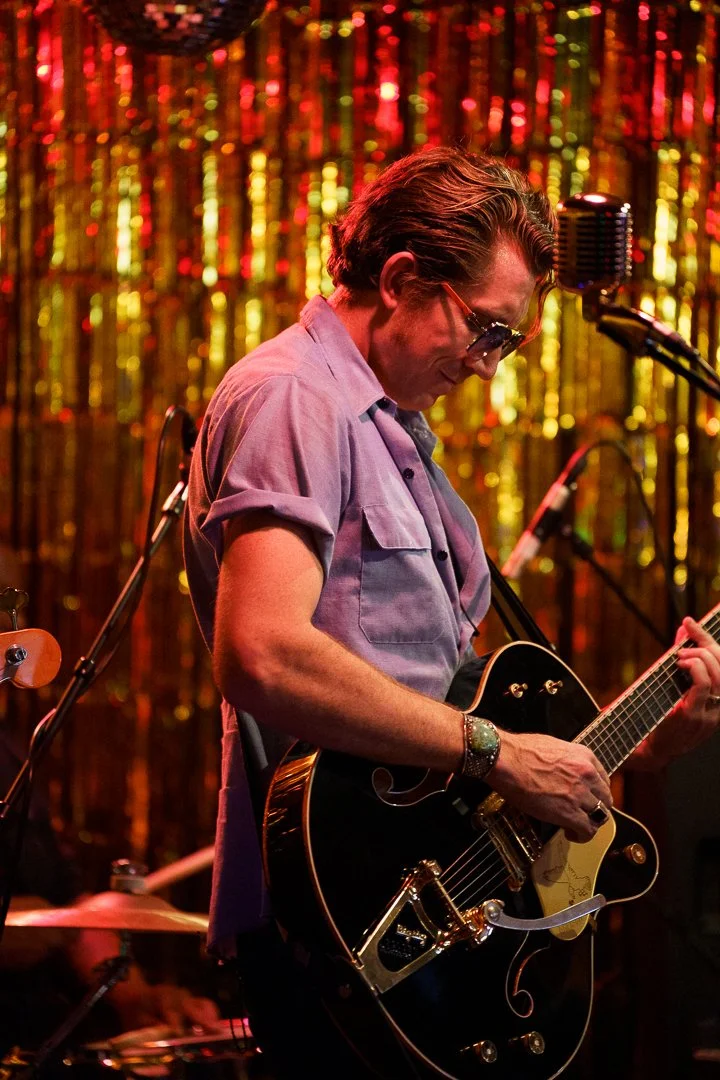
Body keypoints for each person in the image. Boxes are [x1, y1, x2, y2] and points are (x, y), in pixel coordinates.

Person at [183, 146, 720, 1078]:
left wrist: (641, 745)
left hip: (415, 882)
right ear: (400, 279)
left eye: (506, 343)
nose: (490, 366)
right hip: (351, 906)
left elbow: (433, 696)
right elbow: (261, 651)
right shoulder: (296, 398)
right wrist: (502, 752)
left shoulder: (387, 428)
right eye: (487, 331)